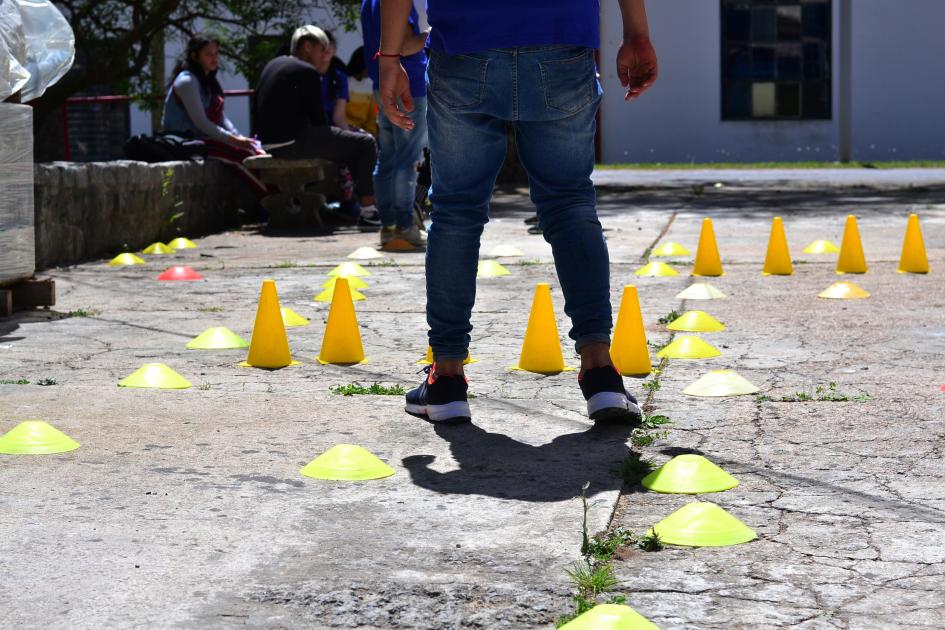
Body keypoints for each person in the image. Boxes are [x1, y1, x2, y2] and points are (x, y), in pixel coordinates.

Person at [378, 0, 659, 423]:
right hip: (559, 38)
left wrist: (391, 56)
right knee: (570, 204)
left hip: (465, 44)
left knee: (456, 211)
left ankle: (448, 378)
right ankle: (600, 373)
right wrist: (637, 32)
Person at [253, 25, 379, 227]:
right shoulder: (307, 71)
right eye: (322, 50)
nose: (324, 56)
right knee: (364, 143)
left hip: (268, 143)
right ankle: (368, 211)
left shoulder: (273, 64)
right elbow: (319, 119)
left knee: (347, 144)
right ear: (307, 47)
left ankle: (355, 204)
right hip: (293, 142)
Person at [161, 33, 267, 196]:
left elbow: (221, 118)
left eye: (216, 54)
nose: (214, 58)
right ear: (195, 56)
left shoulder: (208, 81)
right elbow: (201, 123)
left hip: (203, 138)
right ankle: (269, 197)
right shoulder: (187, 81)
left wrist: (240, 137)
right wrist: (234, 141)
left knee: (255, 149)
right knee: (241, 156)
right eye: (208, 54)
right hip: (186, 141)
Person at [362, 0, 430, 251]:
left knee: (388, 157)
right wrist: (432, 35)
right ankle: (405, 225)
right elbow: (404, 45)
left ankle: (388, 225)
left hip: (383, 84)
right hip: (408, 84)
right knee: (408, 158)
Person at [344, 46, 379, 136]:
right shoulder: (344, 81)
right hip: (345, 130)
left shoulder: (370, 85)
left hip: (363, 134)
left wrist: (371, 132)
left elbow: (372, 116)